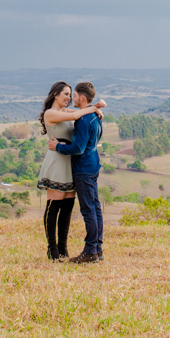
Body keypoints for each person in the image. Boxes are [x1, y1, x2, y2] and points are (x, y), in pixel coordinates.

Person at [37, 82, 105, 262]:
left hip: (70, 164)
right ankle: (52, 251)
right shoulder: (51, 113)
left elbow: (75, 113)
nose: (68, 98)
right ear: (55, 95)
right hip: (57, 163)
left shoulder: (65, 114)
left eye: (70, 94)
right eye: (66, 94)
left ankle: (63, 250)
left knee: (67, 209)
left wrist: (95, 108)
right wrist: (93, 108)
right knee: (53, 208)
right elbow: (77, 114)